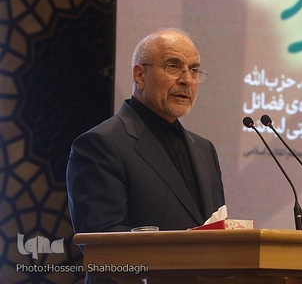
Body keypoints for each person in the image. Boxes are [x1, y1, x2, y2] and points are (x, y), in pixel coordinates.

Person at [67, 28, 226, 236]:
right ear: (139, 75)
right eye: (173, 67)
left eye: (194, 70)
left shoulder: (205, 150)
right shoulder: (100, 145)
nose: (187, 80)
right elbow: (104, 240)